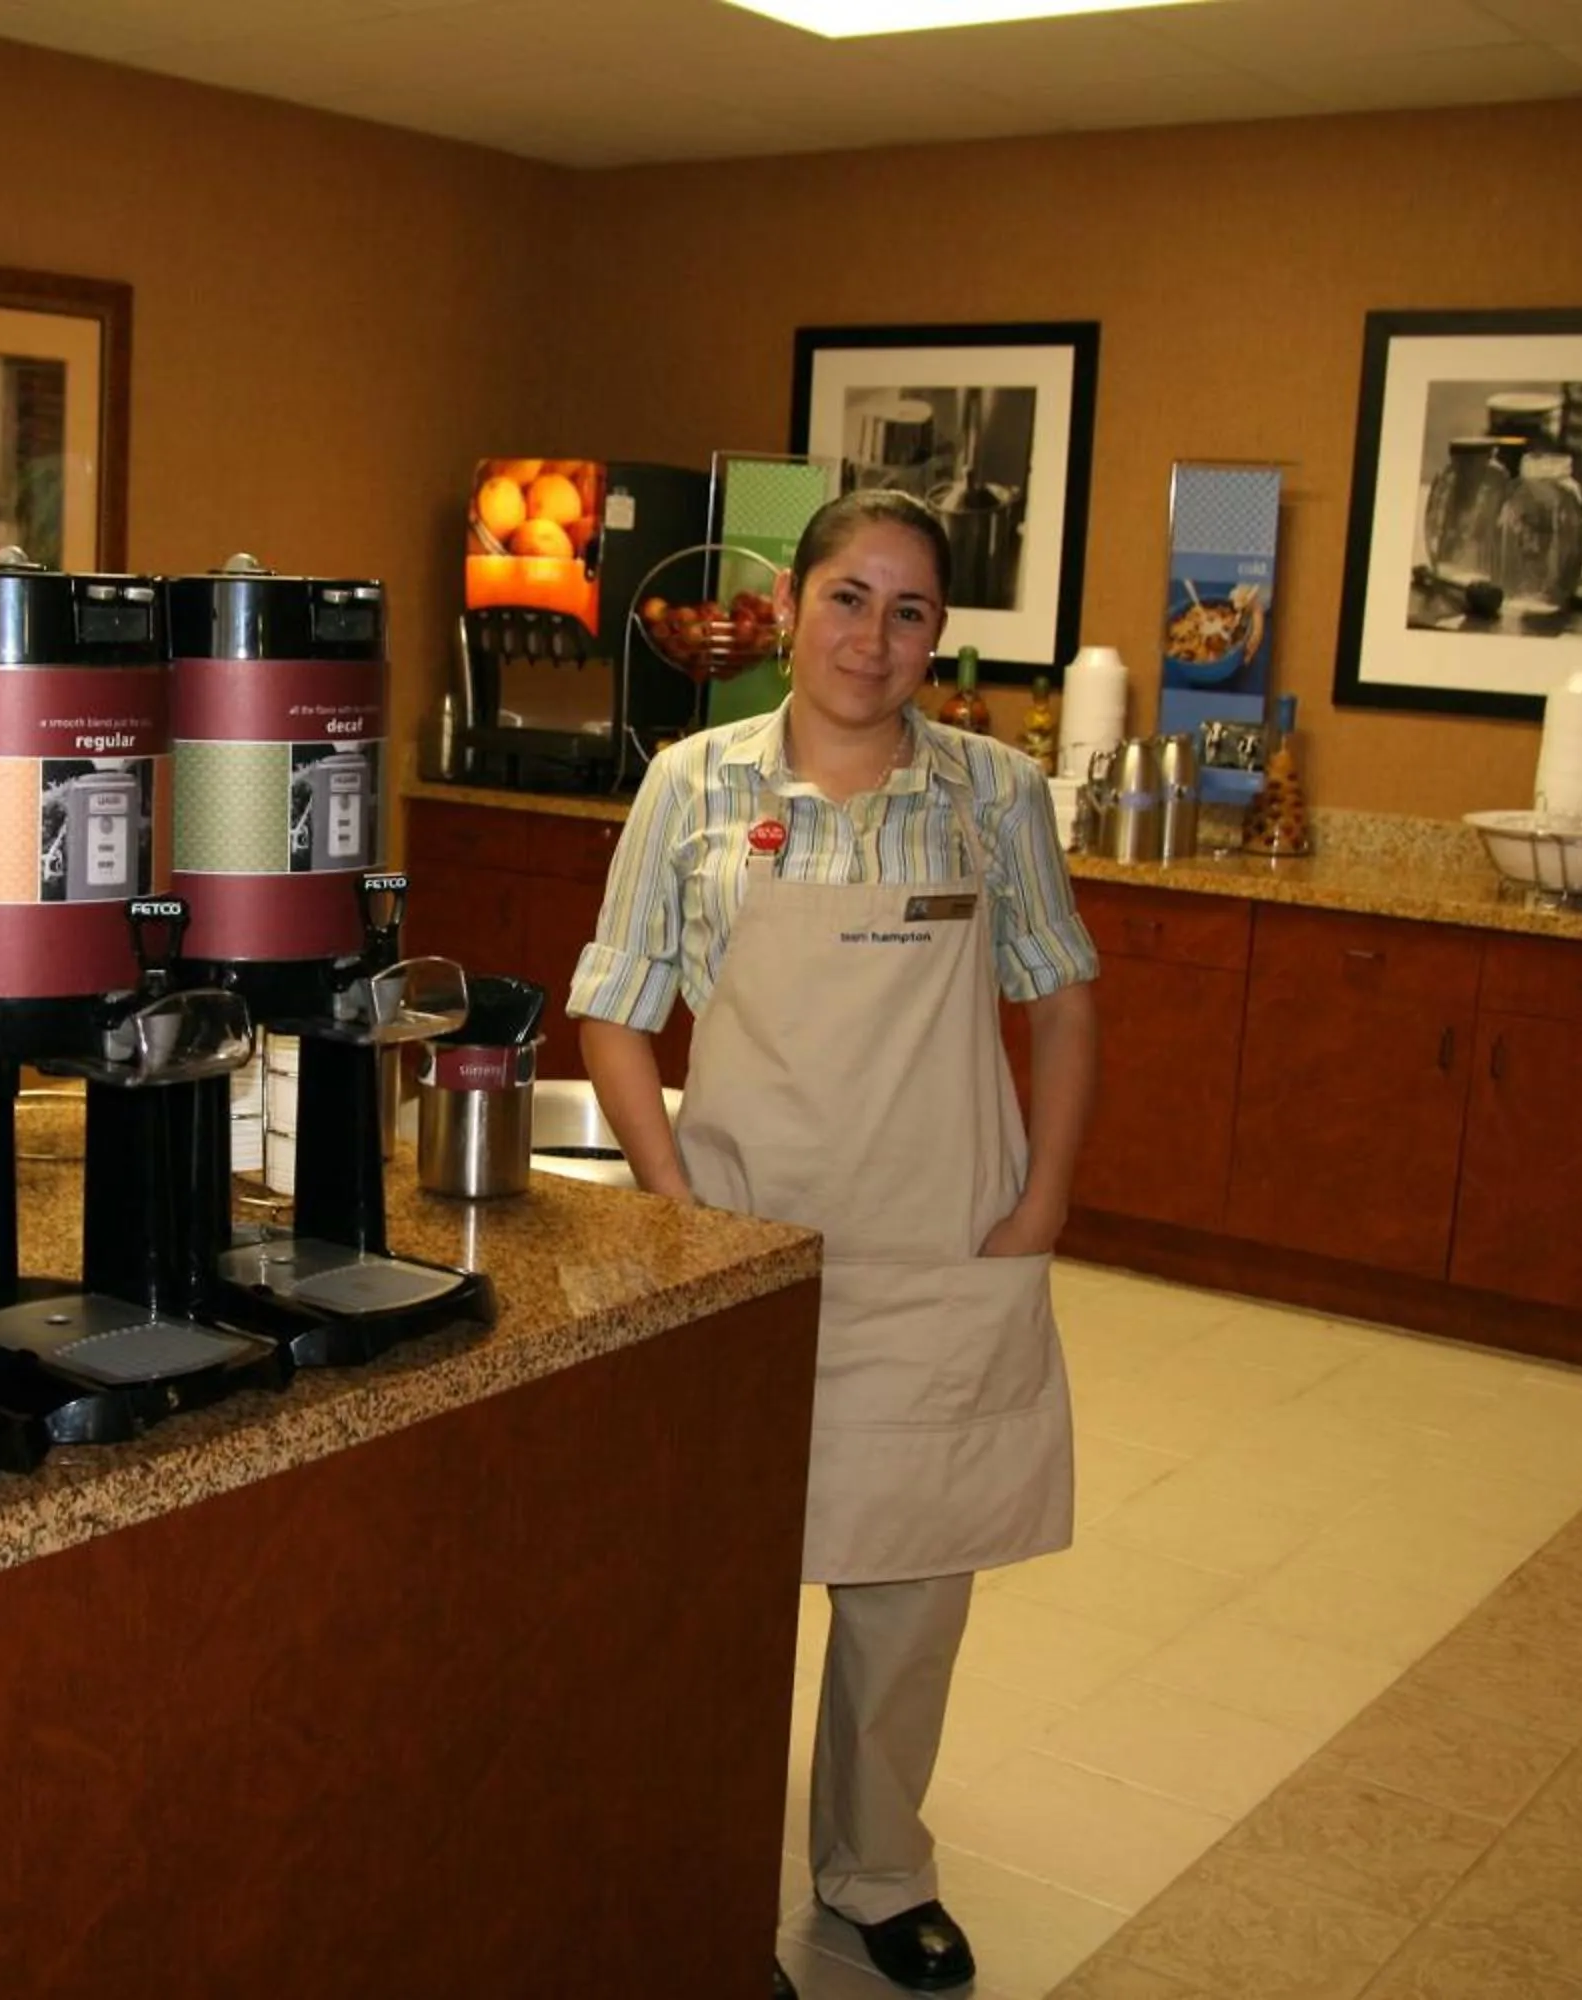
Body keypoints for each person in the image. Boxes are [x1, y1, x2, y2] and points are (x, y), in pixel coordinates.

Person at [568, 490, 1099, 1995]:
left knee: (912, 1585)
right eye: (849, 598)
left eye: (911, 610)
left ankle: (876, 1876)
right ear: (789, 607)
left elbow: (1060, 1001)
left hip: (941, 1238)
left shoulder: (995, 796)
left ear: (941, 635)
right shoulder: (690, 784)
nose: (875, 638)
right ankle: (705, 1892)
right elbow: (616, 1005)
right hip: (747, 1246)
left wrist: (1043, 1198)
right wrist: (674, 1201)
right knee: (726, 1588)